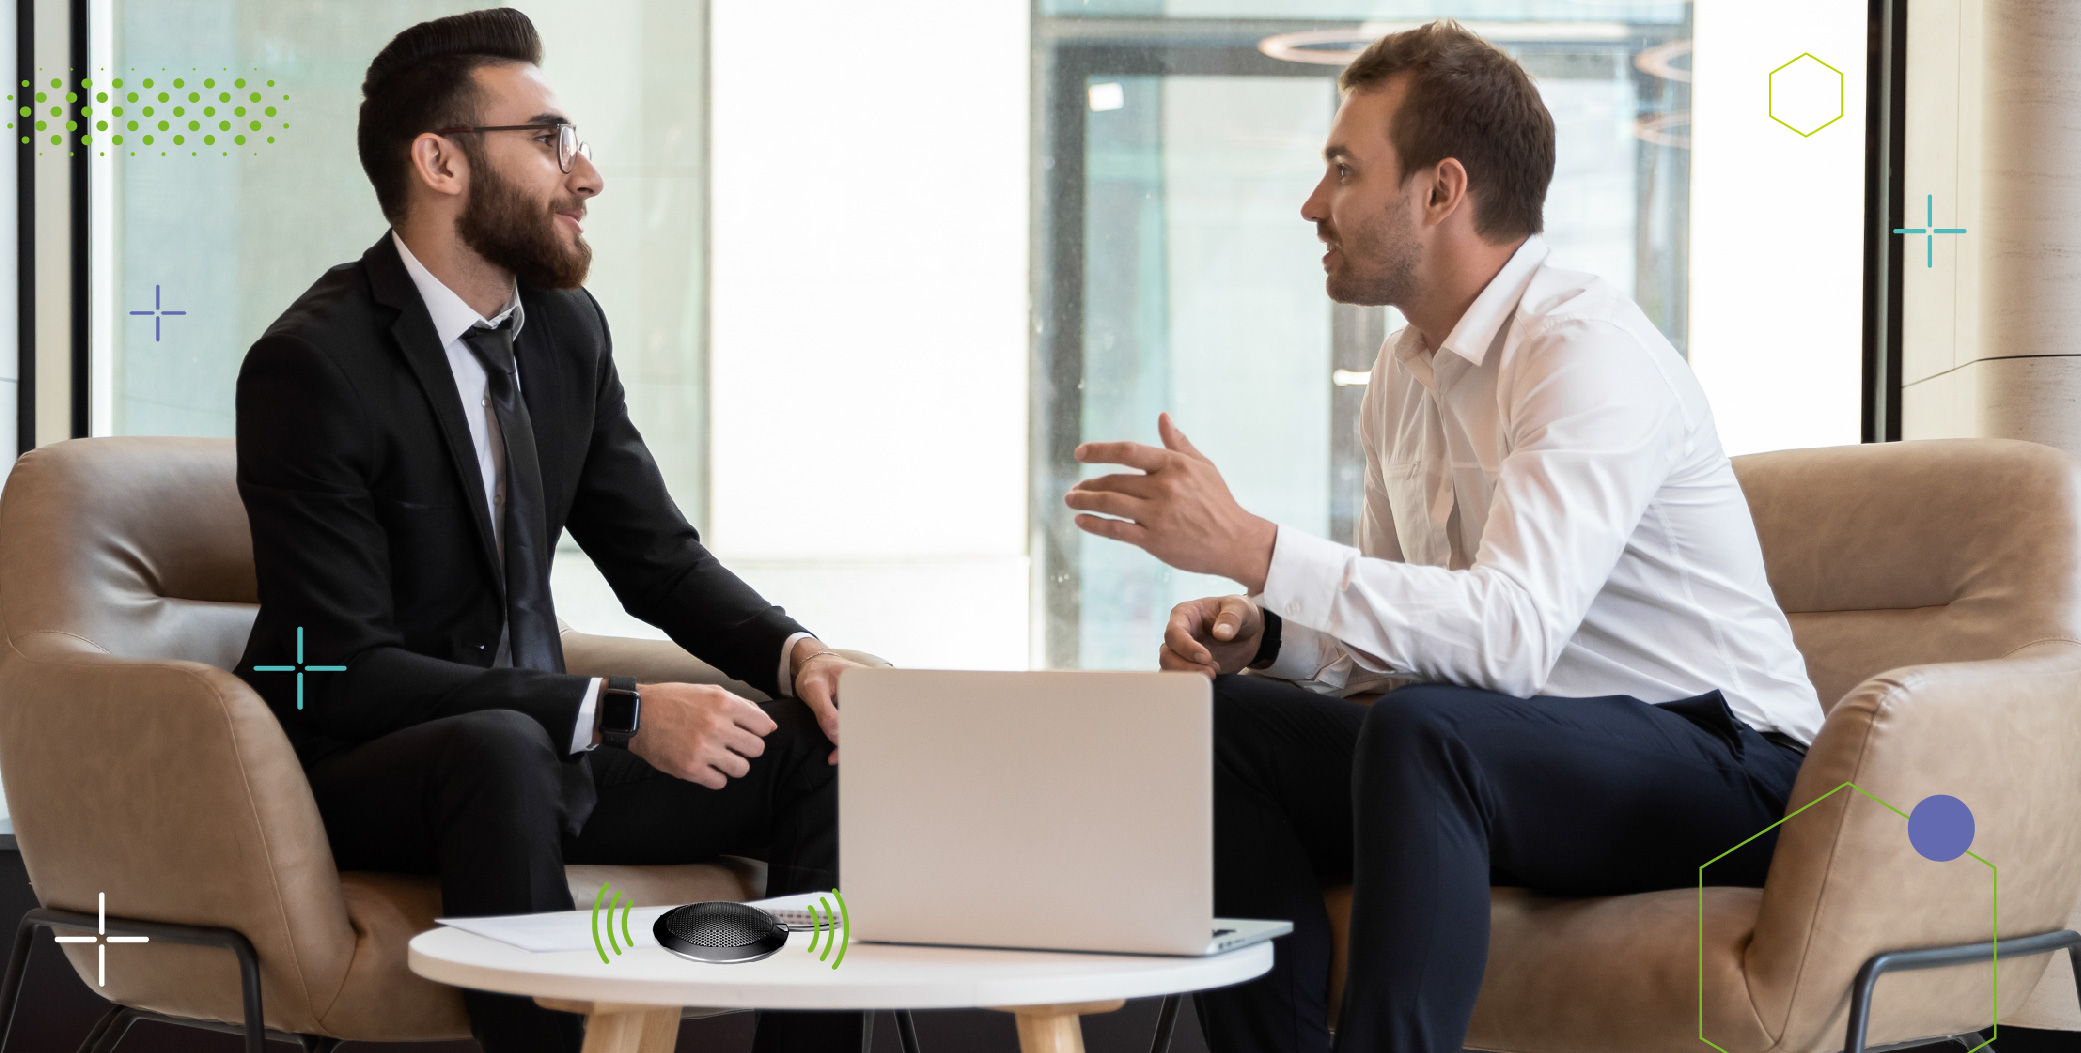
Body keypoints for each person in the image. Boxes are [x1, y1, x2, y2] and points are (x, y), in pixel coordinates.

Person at [1065, 20, 1824, 1053]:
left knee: (1428, 731)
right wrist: (1271, 634)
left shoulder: (1579, 350)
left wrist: (1252, 546)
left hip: (1728, 769)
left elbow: (1507, 637)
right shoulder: (1401, 372)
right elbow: (1411, 629)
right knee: (1220, 724)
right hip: (1517, 750)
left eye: (1340, 168)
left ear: (1438, 191)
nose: (1309, 203)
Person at [232, 9, 865, 1052]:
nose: (588, 174)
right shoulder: (314, 366)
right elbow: (329, 665)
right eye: (550, 140)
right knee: (499, 751)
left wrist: (796, 657)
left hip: (542, 755)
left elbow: (655, 556)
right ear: (439, 161)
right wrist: (612, 712)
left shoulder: (567, 330)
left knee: (821, 753)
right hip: (373, 766)